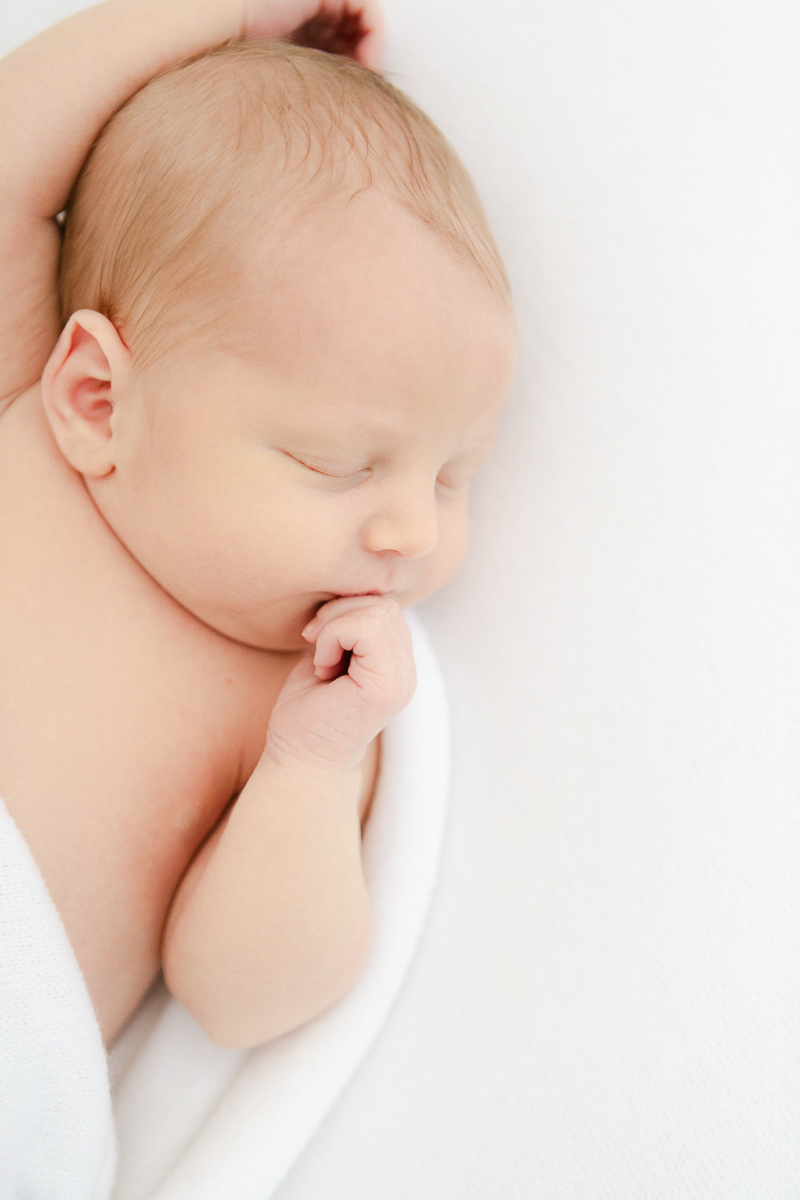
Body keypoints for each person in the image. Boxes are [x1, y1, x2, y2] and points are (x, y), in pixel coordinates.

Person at [0, 0, 516, 1051]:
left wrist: (311, 767)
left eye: (456, 475)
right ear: (98, 398)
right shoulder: (26, 402)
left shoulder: (296, 697)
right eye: (336, 462)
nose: (409, 530)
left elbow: (240, 999)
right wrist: (223, 13)